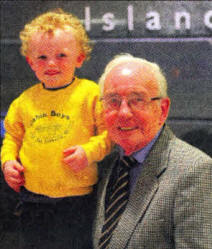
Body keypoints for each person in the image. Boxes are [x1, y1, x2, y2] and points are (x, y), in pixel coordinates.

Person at [0, 8, 110, 249]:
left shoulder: (90, 93)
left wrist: (88, 152)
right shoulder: (23, 101)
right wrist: (8, 162)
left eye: (61, 55)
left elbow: (108, 134)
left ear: (79, 58)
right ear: (30, 62)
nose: (51, 63)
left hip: (78, 200)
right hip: (32, 199)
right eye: (41, 57)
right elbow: (11, 138)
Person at [93, 53, 212, 249]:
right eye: (113, 101)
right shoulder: (107, 164)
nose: (123, 112)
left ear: (163, 110)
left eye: (137, 100)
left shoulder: (194, 171)